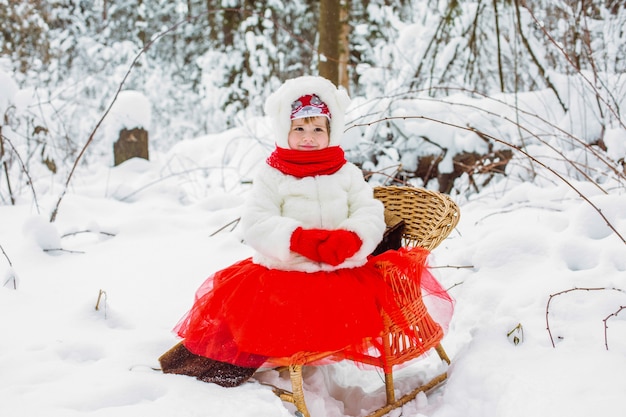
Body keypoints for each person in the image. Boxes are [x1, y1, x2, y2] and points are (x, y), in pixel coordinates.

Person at [159, 76, 452, 387]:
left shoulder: (346, 172)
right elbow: (256, 220)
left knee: (332, 314)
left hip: (342, 271)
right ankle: (237, 364)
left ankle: (291, 356)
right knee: (251, 318)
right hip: (288, 270)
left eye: (317, 129)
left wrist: (352, 238)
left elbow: (369, 211)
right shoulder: (273, 174)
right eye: (299, 128)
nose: (308, 137)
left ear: (331, 131)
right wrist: (297, 238)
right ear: (285, 131)